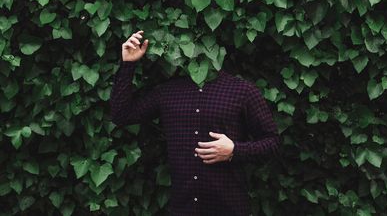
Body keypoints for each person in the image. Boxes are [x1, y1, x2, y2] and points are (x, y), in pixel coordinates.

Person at [110, 30, 281, 216]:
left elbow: (272, 142)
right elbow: (122, 115)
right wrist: (128, 64)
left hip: (228, 208)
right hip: (183, 209)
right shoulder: (168, 92)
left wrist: (234, 151)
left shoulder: (242, 91)